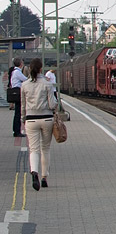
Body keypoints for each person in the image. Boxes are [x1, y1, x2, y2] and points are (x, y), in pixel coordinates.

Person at [21, 58, 57, 191]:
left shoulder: (24, 85)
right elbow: (52, 104)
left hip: (30, 119)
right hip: (47, 118)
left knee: (34, 149)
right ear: (41, 69)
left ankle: (34, 172)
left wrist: (23, 119)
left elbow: (23, 105)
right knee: (45, 148)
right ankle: (44, 177)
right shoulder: (47, 84)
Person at [9, 58, 27, 137]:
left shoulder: (15, 72)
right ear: (20, 64)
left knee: (17, 113)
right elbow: (25, 79)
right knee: (18, 113)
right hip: (18, 93)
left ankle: (16, 131)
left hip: (15, 93)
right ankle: (17, 131)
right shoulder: (17, 72)